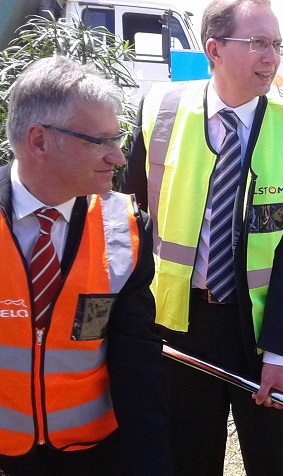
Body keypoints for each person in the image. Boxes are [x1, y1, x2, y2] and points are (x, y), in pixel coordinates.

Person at [122, 0, 283, 474]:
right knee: (187, 455)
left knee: (271, 458)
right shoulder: (159, 107)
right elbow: (130, 217)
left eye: (277, 44)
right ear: (213, 50)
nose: (272, 57)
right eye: (258, 43)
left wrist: (279, 354)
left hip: (262, 325)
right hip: (179, 321)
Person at [0, 56, 171, 475]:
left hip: (94, 456)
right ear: (38, 141)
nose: (117, 157)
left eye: (118, 139)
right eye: (99, 141)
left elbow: (137, 364)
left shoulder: (126, 228)